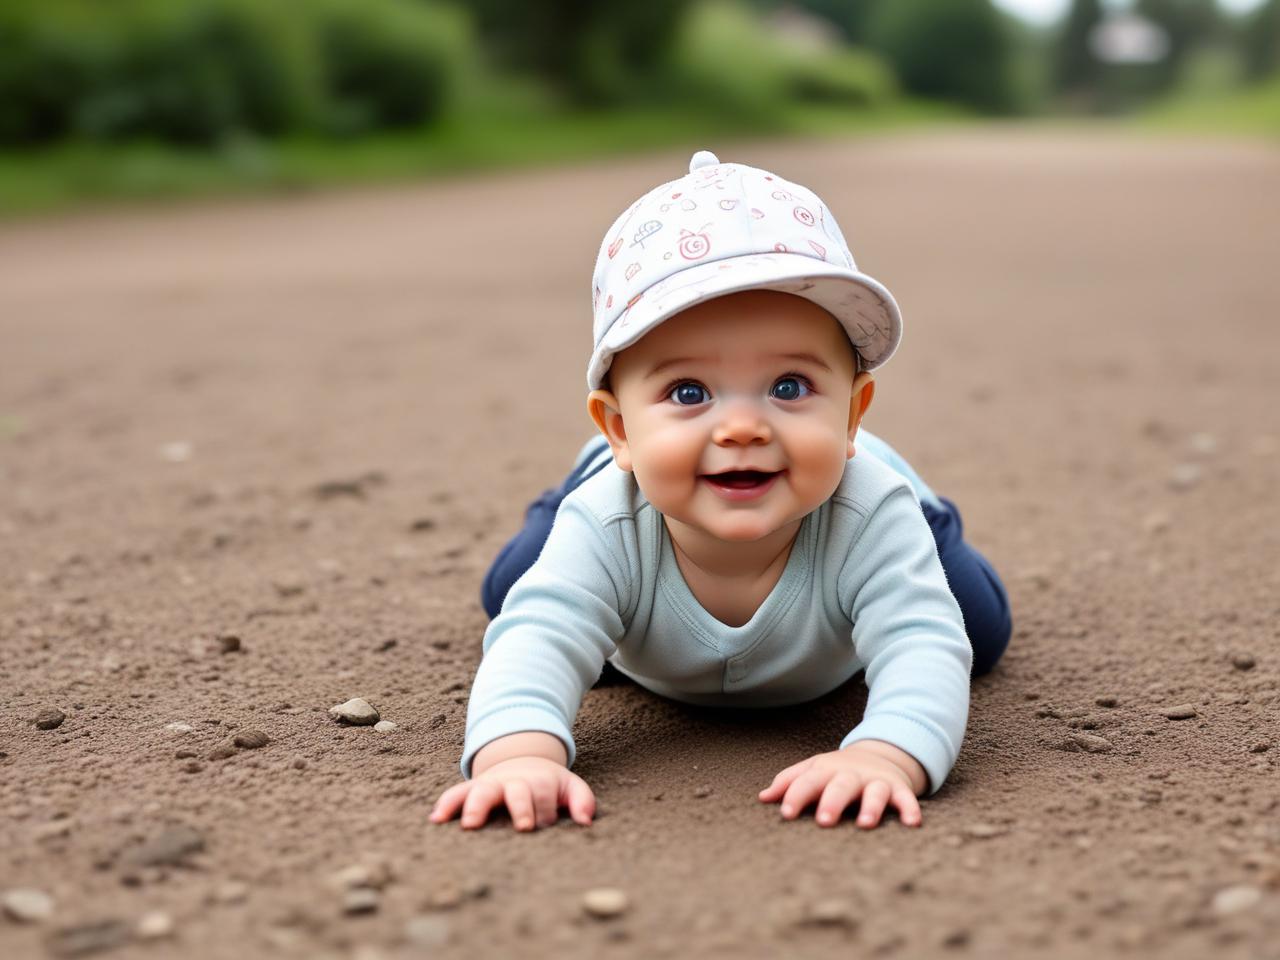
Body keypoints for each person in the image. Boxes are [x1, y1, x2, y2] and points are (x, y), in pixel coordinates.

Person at [430, 150, 1011, 834]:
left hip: (863, 494)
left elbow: (921, 643)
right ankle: (592, 476)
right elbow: (540, 637)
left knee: (977, 629)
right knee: (512, 596)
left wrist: (887, 756)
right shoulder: (606, 520)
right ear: (620, 426)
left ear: (853, 414)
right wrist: (518, 756)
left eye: (789, 387)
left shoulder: (871, 513)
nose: (741, 427)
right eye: (688, 392)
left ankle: (926, 508)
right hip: (618, 496)